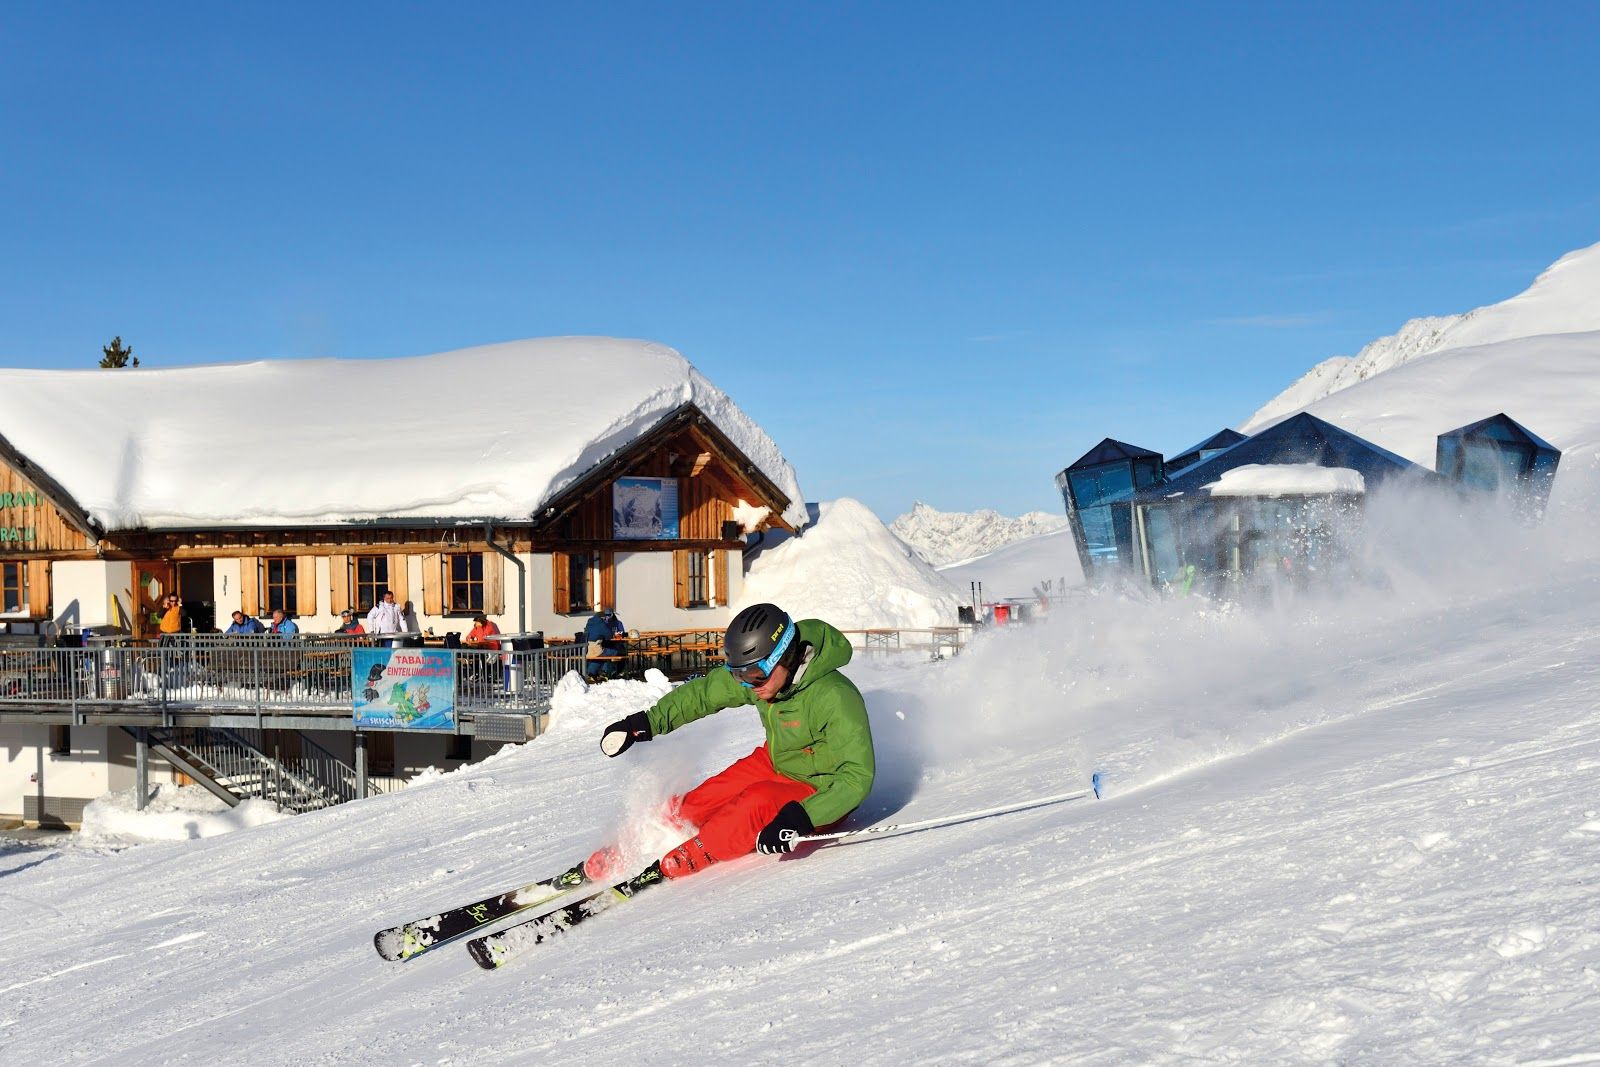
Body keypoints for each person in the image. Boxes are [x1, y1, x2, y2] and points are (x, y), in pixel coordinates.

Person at [589, 603, 875, 885]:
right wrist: (646, 722)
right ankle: (647, 835)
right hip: (777, 761)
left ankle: (699, 851)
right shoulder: (764, 681)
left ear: (785, 657)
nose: (749, 685)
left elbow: (856, 778)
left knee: (753, 806)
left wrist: (803, 815)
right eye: (740, 675)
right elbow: (704, 694)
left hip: (820, 791)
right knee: (703, 800)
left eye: (755, 675)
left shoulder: (835, 697)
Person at [583, 608, 626, 680]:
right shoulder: (601, 623)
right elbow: (609, 635)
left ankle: (591, 673)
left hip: (587, 649)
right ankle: (605, 672)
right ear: (602, 617)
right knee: (613, 652)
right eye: (606, 616)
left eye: (609, 615)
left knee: (601, 656)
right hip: (596, 648)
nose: (607, 617)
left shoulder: (590, 622)